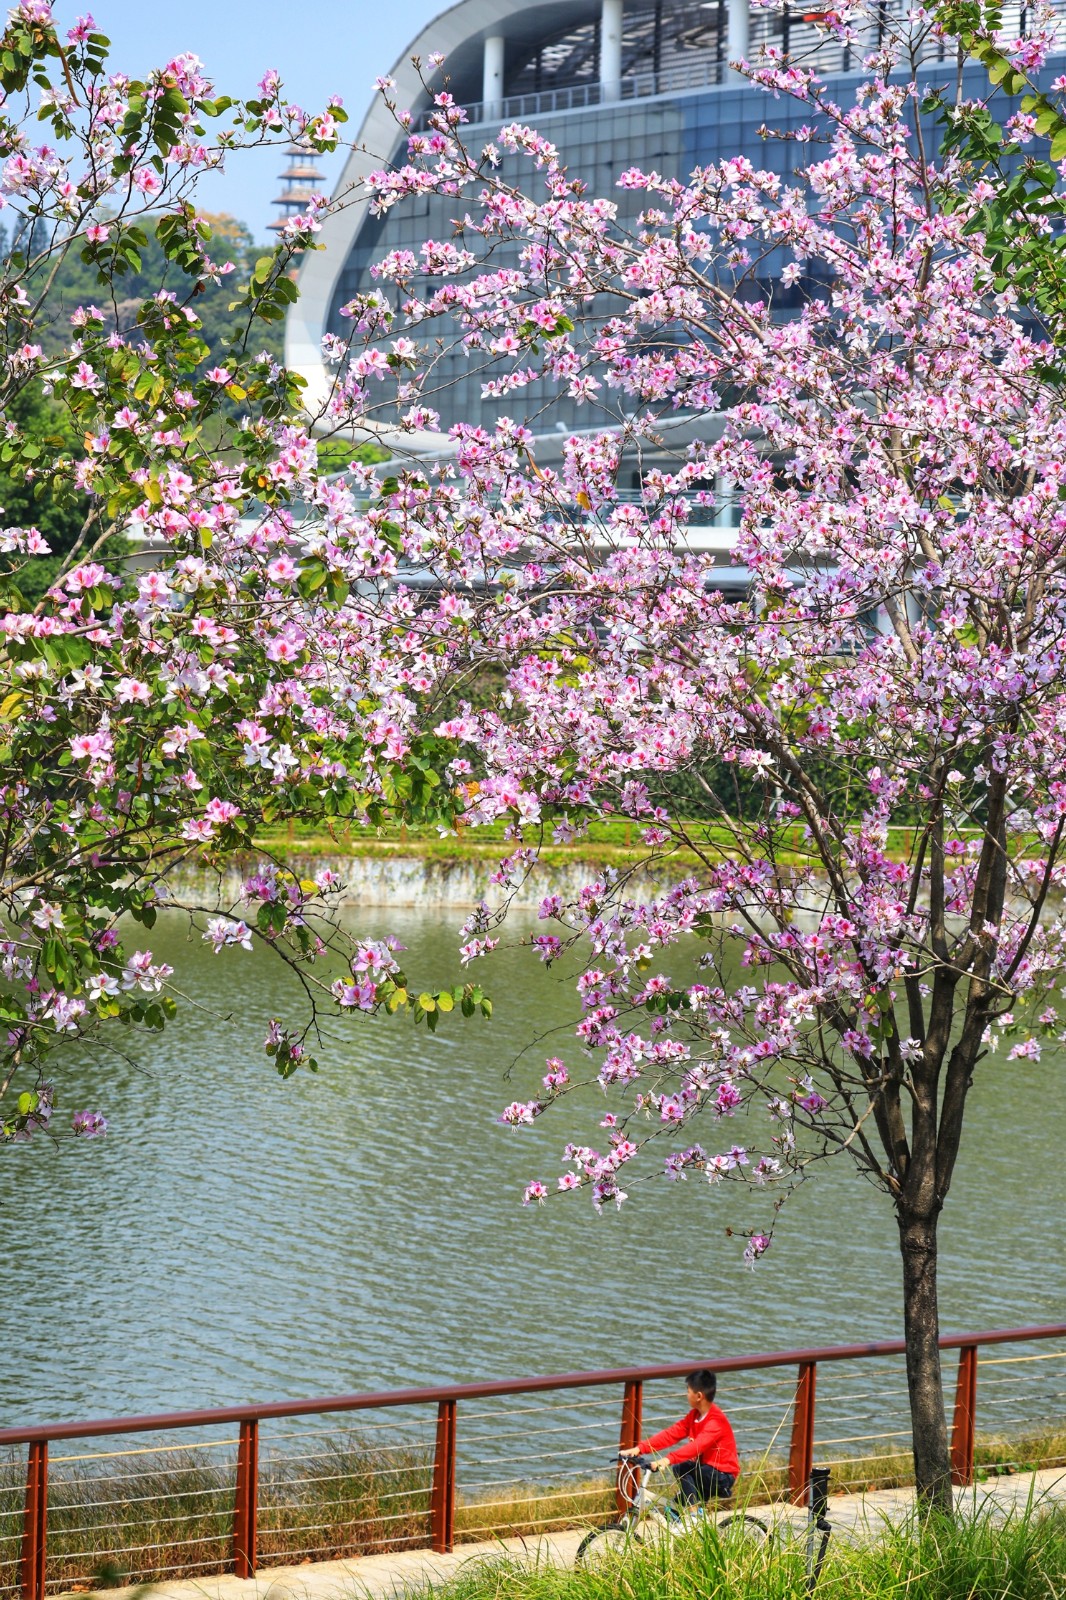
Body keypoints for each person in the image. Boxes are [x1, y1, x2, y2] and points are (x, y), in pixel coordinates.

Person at [620, 1368, 739, 1504]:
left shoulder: (716, 1421)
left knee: (682, 1468)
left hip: (722, 1476)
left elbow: (696, 1447)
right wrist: (639, 1449)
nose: (686, 1395)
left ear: (699, 1396)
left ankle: (694, 1514)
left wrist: (666, 1460)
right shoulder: (694, 1416)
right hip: (705, 1471)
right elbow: (671, 1434)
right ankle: (691, 1513)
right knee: (673, 1511)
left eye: (688, 1391)